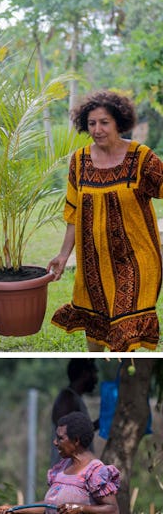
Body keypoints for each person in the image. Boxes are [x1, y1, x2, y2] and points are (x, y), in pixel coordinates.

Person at [48, 91, 163, 351]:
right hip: (94, 262)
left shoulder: (141, 157)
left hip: (137, 259)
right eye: (91, 123)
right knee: (97, 323)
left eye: (104, 122)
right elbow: (74, 214)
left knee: (126, 328)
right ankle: (97, 367)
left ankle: (122, 371)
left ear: (119, 123)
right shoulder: (79, 161)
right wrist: (63, 255)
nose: (97, 130)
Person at [50, 359, 99, 465]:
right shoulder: (67, 399)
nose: (96, 379)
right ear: (85, 374)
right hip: (67, 474)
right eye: (94, 373)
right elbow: (67, 433)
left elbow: (76, 432)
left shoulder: (75, 398)